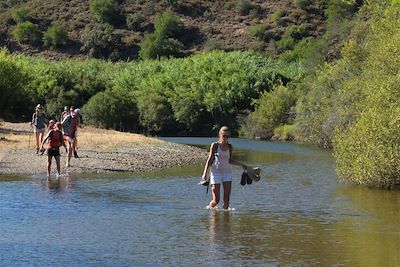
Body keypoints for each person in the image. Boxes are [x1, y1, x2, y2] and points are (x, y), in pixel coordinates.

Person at [201, 126, 247, 210]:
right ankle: (210, 212)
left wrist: (242, 165)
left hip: (227, 174)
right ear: (220, 134)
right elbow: (210, 159)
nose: (226, 138)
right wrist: (205, 173)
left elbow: (230, 160)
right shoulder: (215, 145)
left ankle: (225, 221)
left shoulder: (230, 147)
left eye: (228, 136)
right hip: (216, 173)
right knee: (216, 200)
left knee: (227, 201)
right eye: (224, 135)